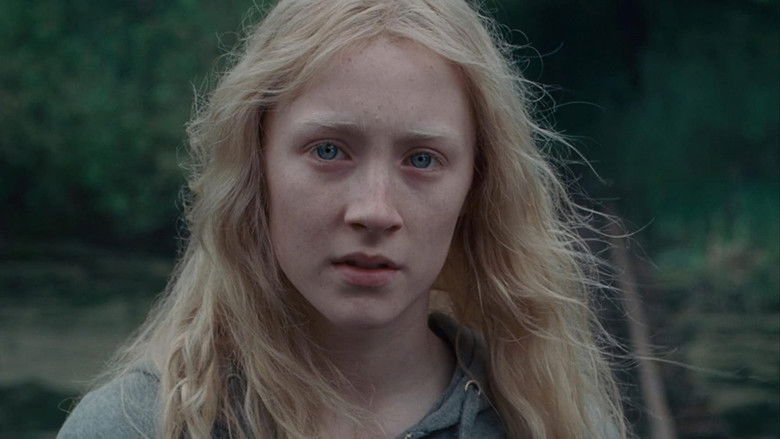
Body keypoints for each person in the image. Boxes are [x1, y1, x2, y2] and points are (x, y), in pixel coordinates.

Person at [57, 0, 627, 438]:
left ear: (476, 187)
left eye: (422, 159)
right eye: (329, 150)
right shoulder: (135, 427)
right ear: (257, 164)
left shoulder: (555, 423)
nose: (374, 210)